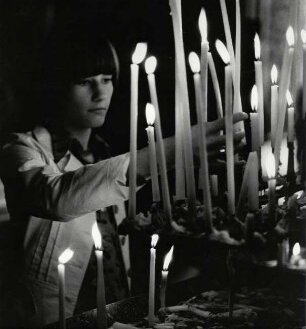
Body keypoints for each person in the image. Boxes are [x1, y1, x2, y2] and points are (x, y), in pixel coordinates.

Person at [0, 24, 247, 328]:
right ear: (57, 86)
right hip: (55, 317)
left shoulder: (107, 153)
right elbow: (54, 196)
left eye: (107, 80)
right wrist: (169, 153)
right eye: (84, 81)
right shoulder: (23, 148)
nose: (100, 92)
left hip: (114, 311)